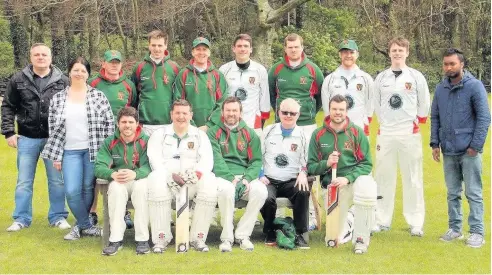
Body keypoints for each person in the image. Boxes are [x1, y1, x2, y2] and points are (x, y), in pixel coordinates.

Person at [41, 57, 115, 240]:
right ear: (69, 72)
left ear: (88, 74)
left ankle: (79, 227)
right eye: (76, 70)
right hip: (69, 151)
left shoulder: (98, 96)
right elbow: (54, 129)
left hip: (93, 150)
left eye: (83, 70)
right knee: (72, 190)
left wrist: (107, 153)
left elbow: (109, 125)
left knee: (88, 188)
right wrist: (57, 156)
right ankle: (86, 225)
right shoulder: (58, 98)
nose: (79, 73)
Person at [146, 99, 235, 253]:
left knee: (209, 184)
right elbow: (154, 159)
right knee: (156, 181)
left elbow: (207, 160)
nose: (181, 116)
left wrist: (197, 174)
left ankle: (198, 238)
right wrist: (169, 175)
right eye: (178, 113)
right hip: (168, 180)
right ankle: (161, 238)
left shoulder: (199, 135)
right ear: (171, 114)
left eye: (185, 113)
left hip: (192, 179)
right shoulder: (159, 134)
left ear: (190, 115)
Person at [1, 43, 70, 232]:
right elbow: (8, 106)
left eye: (44, 54)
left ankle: (58, 216)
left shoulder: (62, 81)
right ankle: (21, 218)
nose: (41, 57)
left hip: (53, 139)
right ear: (31, 58)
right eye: (37, 55)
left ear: (50, 57)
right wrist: (8, 132)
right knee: (24, 181)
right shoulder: (18, 80)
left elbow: (70, 109)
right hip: (27, 137)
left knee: (56, 180)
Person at [430, 48, 491, 248]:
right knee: (452, 192)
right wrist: (434, 143)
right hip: (448, 150)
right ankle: (455, 229)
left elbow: (484, 117)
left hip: (469, 151)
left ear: (461, 65)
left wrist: (475, 146)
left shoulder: (474, 87)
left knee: (473, 192)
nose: (448, 67)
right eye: (445, 64)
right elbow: (435, 117)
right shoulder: (440, 89)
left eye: (452, 64)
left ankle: (476, 232)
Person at [372, 37, 430, 236]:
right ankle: (381, 220)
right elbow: (376, 104)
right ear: (389, 53)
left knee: (413, 178)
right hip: (386, 132)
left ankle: (415, 222)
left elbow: (424, 103)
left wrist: (417, 121)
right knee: (382, 177)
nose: (397, 53)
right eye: (394, 50)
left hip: (408, 132)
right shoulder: (381, 78)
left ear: (407, 52)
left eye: (401, 50)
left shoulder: (415, 76)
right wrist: (385, 123)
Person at [268, 33, 324, 229]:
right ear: (285, 48)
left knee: (306, 168)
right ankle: (281, 214)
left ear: (302, 47)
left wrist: (305, 114)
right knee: (281, 163)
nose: (293, 50)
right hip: (282, 124)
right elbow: (272, 96)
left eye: (296, 47)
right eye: (290, 47)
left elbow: (319, 99)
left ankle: (309, 215)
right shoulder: (276, 69)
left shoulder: (312, 69)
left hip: (307, 124)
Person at [307, 94, 376, 254]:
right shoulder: (318, 134)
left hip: (352, 182)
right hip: (331, 187)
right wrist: (327, 164)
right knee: (334, 238)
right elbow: (311, 167)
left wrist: (348, 178)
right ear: (328, 110)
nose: (338, 112)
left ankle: (361, 239)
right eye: (334, 109)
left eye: (341, 109)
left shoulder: (357, 133)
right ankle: (352, 217)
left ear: (346, 110)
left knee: (367, 184)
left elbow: (366, 164)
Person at [207, 97, 267, 252]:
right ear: (222, 112)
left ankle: (242, 235)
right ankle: (226, 238)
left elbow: (256, 161)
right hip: (222, 177)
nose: (231, 114)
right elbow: (216, 160)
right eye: (228, 110)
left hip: (245, 177)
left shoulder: (250, 133)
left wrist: (247, 179)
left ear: (240, 113)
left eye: (235, 110)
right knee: (227, 191)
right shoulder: (213, 133)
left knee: (261, 191)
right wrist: (232, 179)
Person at [88, 49, 137, 228]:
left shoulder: (129, 85)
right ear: (104, 64)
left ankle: (124, 212)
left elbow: (132, 108)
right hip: (98, 133)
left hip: (122, 133)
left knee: (123, 168)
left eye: (117, 62)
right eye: (111, 62)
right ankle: (92, 211)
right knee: (97, 173)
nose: (114, 65)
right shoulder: (93, 83)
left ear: (121, 64)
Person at [95, 107, 151, 255]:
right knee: (115, 190)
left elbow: (149, 166)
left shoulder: (146, 141)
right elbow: (99, 166)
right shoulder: (110, 142)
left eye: (131, 122)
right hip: (119, 179)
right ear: (118, 124)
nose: (127, 125)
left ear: (137, 123)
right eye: (124, 122)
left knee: (141, 190)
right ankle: (115, 240)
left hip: (140, 179)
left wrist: (136, 173)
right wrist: (112, 174)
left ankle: (142, 240)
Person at [259, 98, 310, 249]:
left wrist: (303, 172)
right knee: (267, 198)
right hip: (269, 179)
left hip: (291, 180)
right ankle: (270, 230)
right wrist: (261, 174)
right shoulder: (268, 131)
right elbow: (258, 155)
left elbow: (307, 161)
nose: (288, 115)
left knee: (303, 192)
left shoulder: (303, 136)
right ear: (278, 113)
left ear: (298, 115)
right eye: (284, 112)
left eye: (292, 113)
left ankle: (300, 233)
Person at [218, 33, 270, 136]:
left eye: (246, 46)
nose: (242, 49)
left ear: (251, 49)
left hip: (252, 121)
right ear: (233, 48)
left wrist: (263, 117)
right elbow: (220, 97)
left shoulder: (260, 70)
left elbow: (264, 97)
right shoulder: (224, 70)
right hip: (229, 120)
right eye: (239, 46)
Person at [131, 30, 180, 136]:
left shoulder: (174, 67)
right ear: (149, 46)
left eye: (160, 45)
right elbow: (133, 97)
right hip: (144, 124)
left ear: (165, 46)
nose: (157, 49)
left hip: (168, 123)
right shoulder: (139, 67)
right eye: (153, 45)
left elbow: (179, 96)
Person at [321, 39, 374, 136]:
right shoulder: (329, 79)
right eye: (345, 52)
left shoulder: (366, 79)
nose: (348, 55)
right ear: (340, 55)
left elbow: (370, 104)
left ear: (357, 54)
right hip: (336, 130)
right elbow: (326, 108)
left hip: (359, 129)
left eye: (351, 52)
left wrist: (365, 122)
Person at [173, 37, 227, 132]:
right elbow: (178, 101)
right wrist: (191, 124)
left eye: (204, 49)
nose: (201, 53)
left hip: (212, 128)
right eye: (198, 49)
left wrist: (209, 125)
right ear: (193, 52)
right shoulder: (184, 74)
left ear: (209, 52)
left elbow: (223, 102)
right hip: (188, 127)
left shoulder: (217, 75)